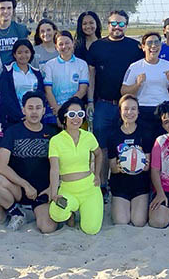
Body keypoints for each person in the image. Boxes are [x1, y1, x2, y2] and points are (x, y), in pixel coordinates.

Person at [0, 91, 58, 233]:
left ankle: (36, 212)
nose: (34, 112)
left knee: (47, 228)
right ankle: (16, 213)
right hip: (19, 190)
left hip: (43, 193)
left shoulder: (53, 134)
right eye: (30, 108)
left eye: (38, 108)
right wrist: (25, 185)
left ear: (44, 110)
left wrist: (52, 188)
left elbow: (62, 166)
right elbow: (1, 166)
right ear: (23, 110)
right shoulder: (13, 132)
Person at [86, 10, 144, 166]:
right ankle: (103, 184)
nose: (117, 27)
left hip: (128, 106)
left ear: (126, 26)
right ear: (107, 24)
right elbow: (91, 77)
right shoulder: (97, 47)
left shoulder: (135, 48)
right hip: (103, 105)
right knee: (101, 147)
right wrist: (90, 101)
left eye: (121, 24)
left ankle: (121, 186)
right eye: (113, 23)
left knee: (126, 146)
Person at [48, 97, 106, 235]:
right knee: (57, 213)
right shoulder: (55, 141)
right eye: (72, 114)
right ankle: (71, 213)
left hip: (89, 188)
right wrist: (54, 193)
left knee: (91, 229)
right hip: (68, 189)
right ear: (64, 118)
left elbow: (99, 154)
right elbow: (54, 169)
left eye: (80, 114)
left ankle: (83, 210)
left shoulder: (89, 136)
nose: (76, 118)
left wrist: (97, 175)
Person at [122, 31, 169, 139]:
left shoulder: (168, 65)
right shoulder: (135, 67)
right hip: (143, 110)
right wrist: (137, 84)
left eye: (157, 43)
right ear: (143, 47)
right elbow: (123, 91)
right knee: (146, 144)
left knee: (164, 143)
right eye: (149, 43)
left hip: (163, 110)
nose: (153, 46)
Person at [107, 94, 156, 227]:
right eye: (126, 109)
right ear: (120, 111)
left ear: (138, 111)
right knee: (121, 221)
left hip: (140, 185)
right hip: (120, 184)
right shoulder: (113, 135)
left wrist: (136, 163)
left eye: (133, 109)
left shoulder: (145, 133)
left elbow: (147, 166)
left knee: (138, 221)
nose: (129, 112)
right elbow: (112, 167)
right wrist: (122, 165)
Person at [0, 39, 46, 131]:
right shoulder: (7, 72)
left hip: (34, 118)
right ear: (14, 54)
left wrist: (32, 115)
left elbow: (41, 95)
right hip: (13, 119)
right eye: (19, 52)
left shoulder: (36, 72)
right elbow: (6, 97)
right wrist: (21, 115)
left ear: (31, 53)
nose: (23, 55)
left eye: (26, 52)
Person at [44, 30, 90, 115]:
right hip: (54, 110)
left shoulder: (82, 64)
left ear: (73, 43)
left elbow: (82, 90)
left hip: (74, 110)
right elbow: (48, 91)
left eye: (67, 43)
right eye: (61, 44)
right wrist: (57, 109)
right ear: (56, 47)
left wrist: (67, 108)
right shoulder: (49, 65)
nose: (64, 46)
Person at [0, 0, 29, 64]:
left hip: (15, 71)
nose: (6, 11)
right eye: (2, 8)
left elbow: (27, 52)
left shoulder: (21, 29)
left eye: (9, 8)